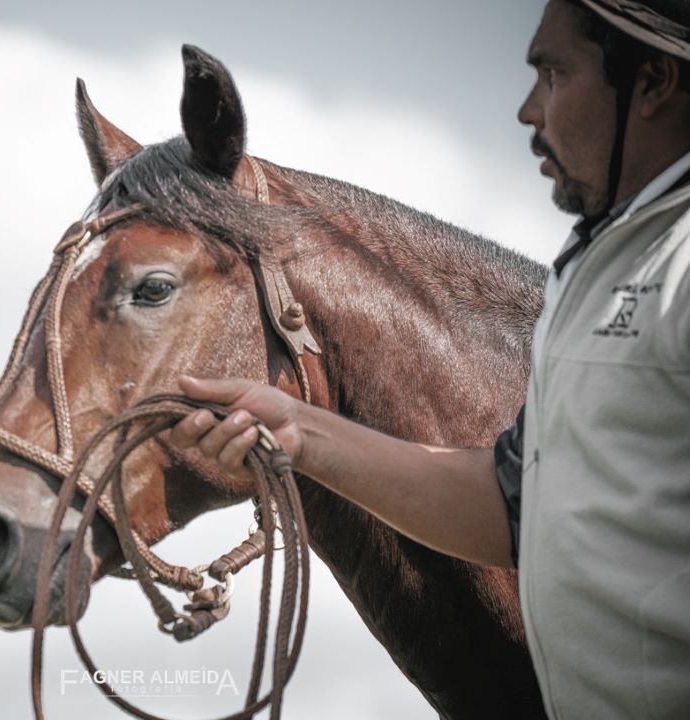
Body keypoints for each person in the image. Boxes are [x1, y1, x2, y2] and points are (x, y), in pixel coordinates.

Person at [170, 1, 690, 718]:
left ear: (653, 81)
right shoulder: (599, 268)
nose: (527, 110)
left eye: (553, 74)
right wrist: (297, 432)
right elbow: (513, 512)